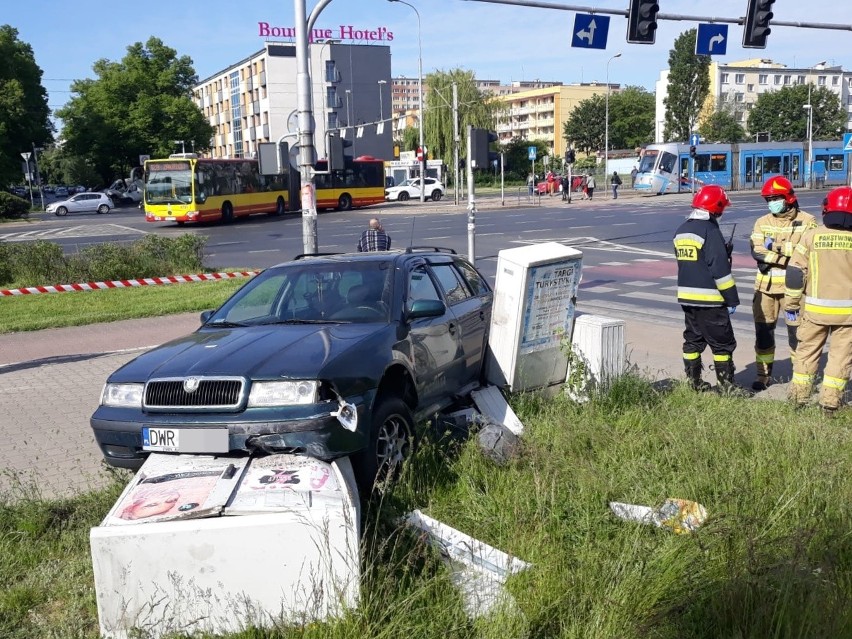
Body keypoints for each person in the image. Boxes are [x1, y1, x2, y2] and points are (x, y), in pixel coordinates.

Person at [784, 186, 852, 416]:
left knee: (806, 353)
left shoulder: (811, 236)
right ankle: (830, 404)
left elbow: (794, 274)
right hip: (848, 315)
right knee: (840, 357)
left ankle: (798, 399)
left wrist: (792, 305)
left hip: (814, 312)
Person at [748, 176, 817, 391]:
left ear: (788, 197)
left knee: (798, 336)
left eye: (775, 198)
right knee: (764, 334)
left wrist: (772, 246)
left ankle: (800, 379)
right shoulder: (762, 222)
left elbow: (804, 254)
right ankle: (763, 376)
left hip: (794, 291)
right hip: (765, 290)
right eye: (768, 199)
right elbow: (757, 251)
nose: (771, 203)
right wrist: (785, 253)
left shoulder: (808, 221)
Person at [673, 185, 741, 393]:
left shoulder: (681, 229)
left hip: (687, 298)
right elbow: (720, 271)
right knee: (722, 344)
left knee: (692, 341)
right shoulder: (710, 231)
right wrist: (731, 299)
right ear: (716, 208)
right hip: (710, 300)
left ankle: (694, 384)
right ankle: (726, 388)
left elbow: (691, 263)